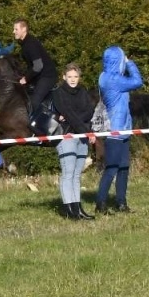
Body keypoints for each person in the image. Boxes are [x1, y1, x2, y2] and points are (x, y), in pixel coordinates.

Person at [96, 45, 144, 214]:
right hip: (115, 130)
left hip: (123, 128)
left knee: (124, 167)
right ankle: (100, 204)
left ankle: (121, 203)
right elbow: (138, 81)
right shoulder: (114, 80)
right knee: (112, 168)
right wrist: (129, 63)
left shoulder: (105, 77)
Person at [51, 64, 96, 221]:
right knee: (68, 173)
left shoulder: (83, 91)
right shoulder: (58, 93)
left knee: (77, 174)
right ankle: (68, 209)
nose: (72, 79)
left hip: (82, 136)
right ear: (64, 77)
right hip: (67, 136)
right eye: (69, 76)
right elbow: (67, 112)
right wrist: (83, 127)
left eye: (75, 77)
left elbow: (89, 111)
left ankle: (78, 209)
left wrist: (82, 127)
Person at [12, 20, 58, 123]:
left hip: (47, 76)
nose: (13, 32)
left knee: (34, 101)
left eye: (16, 29)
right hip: (39, 76)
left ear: (24, 29)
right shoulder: (25, 44)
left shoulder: (30, 44)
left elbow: (38, 66)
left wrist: (26, 78)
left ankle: (37, 126)